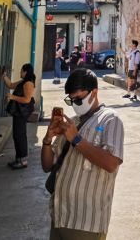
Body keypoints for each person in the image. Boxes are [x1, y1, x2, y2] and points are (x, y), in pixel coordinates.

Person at [41, 68, 124, 239]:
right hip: (60, 215)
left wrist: (77, 139)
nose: (75, 104)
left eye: (78, 99)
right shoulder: (73, 123)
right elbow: (47, 166)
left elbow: (111, 164)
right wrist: (48, 139)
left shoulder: (110, 120)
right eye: (71, 100)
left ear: (94, 93)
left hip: (86, 222)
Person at [2, 63, 37, 169]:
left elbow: (27, 99)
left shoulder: (28, 83)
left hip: (22, 112)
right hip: (19, 112)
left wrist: (12, 97)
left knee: (20, 135)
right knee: (17, 135)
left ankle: (23, 160)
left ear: (26, 72)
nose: (20, 72)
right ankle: (19, 158)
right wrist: (4, 76)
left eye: (21, 70)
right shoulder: (23, 82)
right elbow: (10, 85)